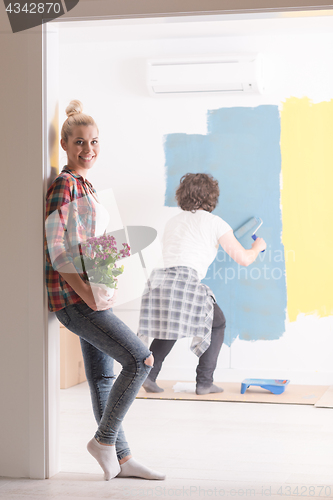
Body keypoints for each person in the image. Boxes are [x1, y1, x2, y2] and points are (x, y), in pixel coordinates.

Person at [45, 100, 165, 481]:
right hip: (76, 299)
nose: (88, 150)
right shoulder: (64, 184)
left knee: (101, 377)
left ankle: (124, 460)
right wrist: (89, 292)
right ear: (64, 144)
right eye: (79, 142)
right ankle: (104, 440)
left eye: (94, 142)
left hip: (92, 293)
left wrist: (113, 271)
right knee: (141, 360)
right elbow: (57, 250)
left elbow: (90, 244)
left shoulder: (86, 184)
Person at [138, 173, 266, 395]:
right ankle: (205, 381)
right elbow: (244, 259)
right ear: (212, 197)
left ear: (182, 196)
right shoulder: (215, 223)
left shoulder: (173, 222)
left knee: (169, 328)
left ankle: (149, 376)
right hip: (185, 279)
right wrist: (257, 247)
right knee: (218, 323)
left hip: (159, 280)